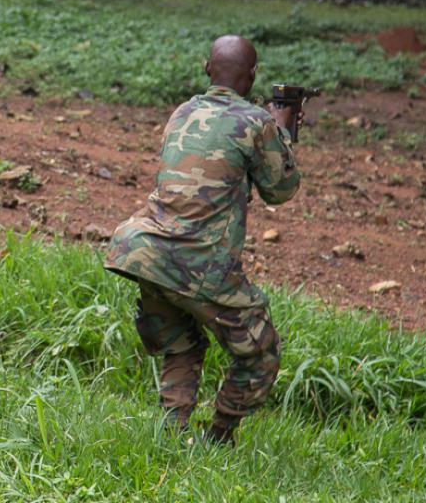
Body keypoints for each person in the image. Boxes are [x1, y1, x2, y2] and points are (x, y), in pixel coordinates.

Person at [104, 35, 302, 445]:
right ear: (252, 77)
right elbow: (280, 190)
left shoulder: (183, 111)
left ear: (206, 69)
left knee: (181, 344)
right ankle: (220, 437)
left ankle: (172, 435)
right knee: (260, 352)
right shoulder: (256, 123)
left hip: (143, 250)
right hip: (199, 262)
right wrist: (280, 134)